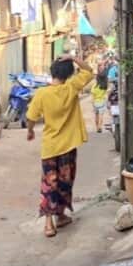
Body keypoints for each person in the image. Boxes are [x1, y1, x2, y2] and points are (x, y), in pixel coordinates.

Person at [25, 55, 94, 238]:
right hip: (68, 146)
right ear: (69, 74)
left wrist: (30, 131)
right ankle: (61, 216)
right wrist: (73, 57)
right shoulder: (71, 87)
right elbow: (89, 71)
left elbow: (31, 117)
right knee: (65, 181)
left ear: (52, 72)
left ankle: (49, 223)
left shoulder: (42, 94)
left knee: (49, 183)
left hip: (50, 147)